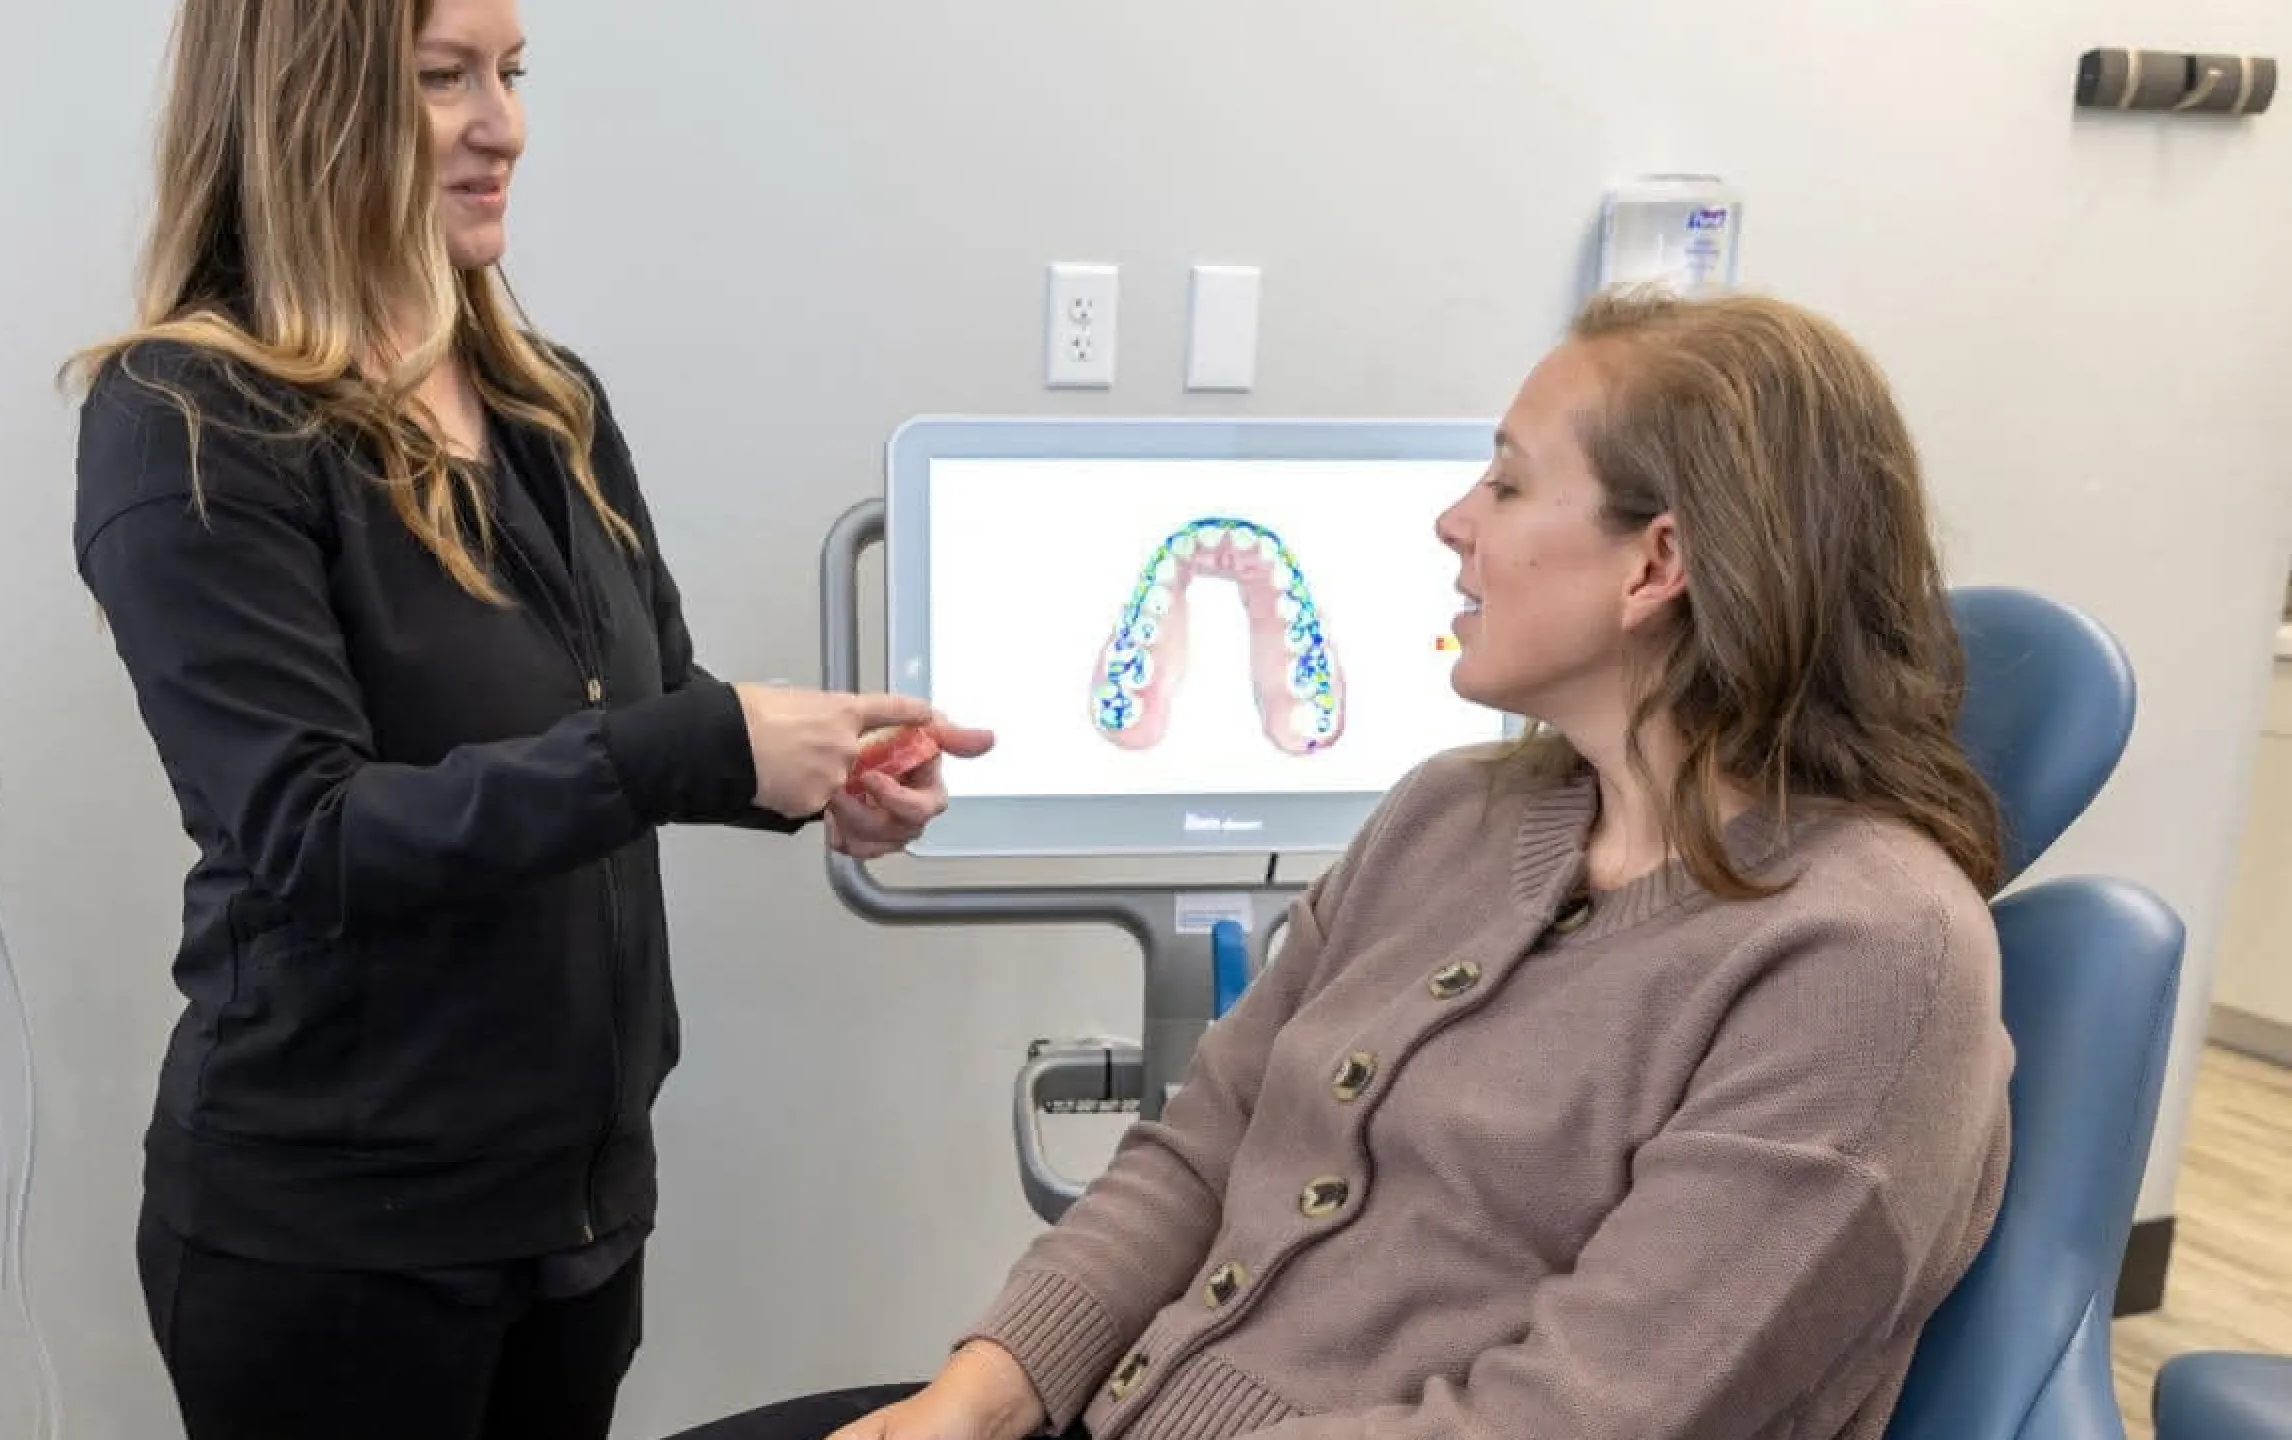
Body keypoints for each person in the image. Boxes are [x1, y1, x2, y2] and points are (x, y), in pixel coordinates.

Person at [673, 286, 2016, 1440]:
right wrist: (978, 1395)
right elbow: (1200, 1153)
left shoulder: (1869, 962)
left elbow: (1578, 1420)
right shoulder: (1450, 817)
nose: (1453, 522)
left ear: (1655, 562)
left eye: (1504, 482)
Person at [65, 1, 991, 1436]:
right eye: (443, 80)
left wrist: (811, 776)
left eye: (510, 73)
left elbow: (643, 710)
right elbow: (314, 835)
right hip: (337, 1252)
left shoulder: (542, 402)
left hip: (576, 1221)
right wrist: (707, 744)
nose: (504, 124)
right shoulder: (188, 418)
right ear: (308, 100)